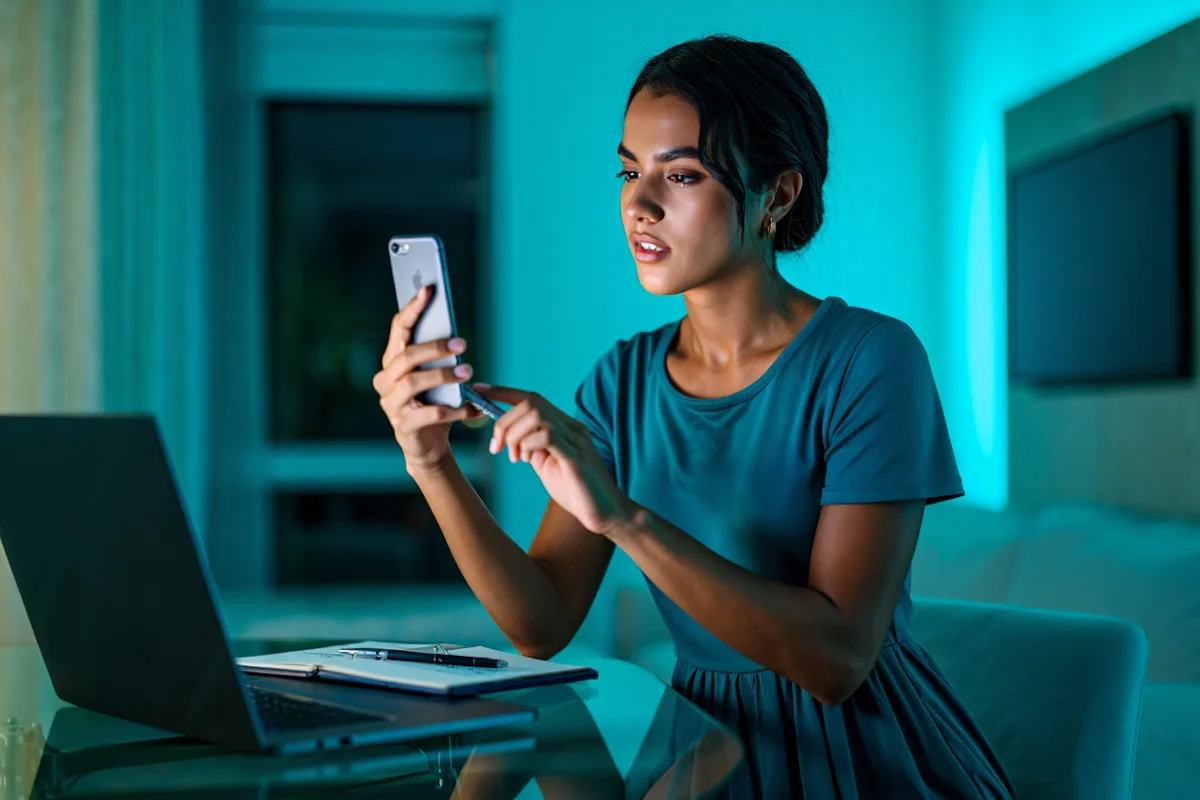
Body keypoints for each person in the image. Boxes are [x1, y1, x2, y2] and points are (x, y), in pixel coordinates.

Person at [372, 35, 1015, 800]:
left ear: (777, 195)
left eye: (680, 174)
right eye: (629, 170)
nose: (639, 204)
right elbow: (540, 624)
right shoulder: (622, 381)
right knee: (524, 732)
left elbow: (839, 660)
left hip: (861, 761)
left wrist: (623, 518)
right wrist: (432, 461)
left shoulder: (872, 360)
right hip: (700, 757)